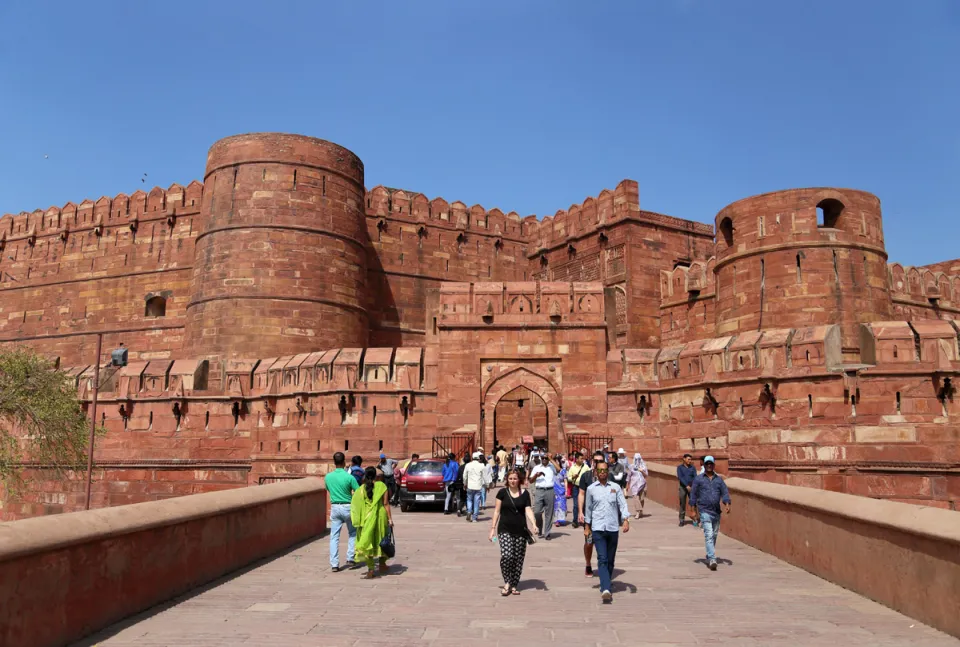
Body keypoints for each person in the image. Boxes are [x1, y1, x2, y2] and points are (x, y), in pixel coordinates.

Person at [584, 460, 630, 603]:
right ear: (596, 472)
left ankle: (606, 582)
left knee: (610, 560)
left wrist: (626, 519)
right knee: (602, 559)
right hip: (598, 528)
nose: (603, 473)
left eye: (605, 470)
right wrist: (587, 526)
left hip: (612, 528)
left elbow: (622, 504)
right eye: (600, 470)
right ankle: (606, 588)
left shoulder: (615, 487)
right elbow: (588, 509)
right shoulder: (591, 489)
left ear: (607, 471)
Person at [488, 469, 537, 596]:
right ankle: (507, 582)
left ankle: (514, 584)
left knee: (518, 559)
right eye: (510, 479)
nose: (512, 481)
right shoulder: (502, 493)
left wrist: (534, 524)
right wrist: (492, 529)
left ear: (519, 480)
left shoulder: (525, 494)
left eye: (515, 478)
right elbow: (496, 511)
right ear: (507, 479)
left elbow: (528, 510)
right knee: (507, 556)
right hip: (504, 529)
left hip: (521, 530)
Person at [350, 465, 394, 579]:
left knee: (368, 542)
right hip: (380, 517)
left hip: (367, 519)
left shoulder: (361, 489)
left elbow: (355, 504)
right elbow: (385, 504)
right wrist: (390, 519)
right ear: (376, 475)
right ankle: (382, 564)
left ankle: (370, 569)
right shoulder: (381, 486)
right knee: (382, 540)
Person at [690, 455, 732, 571]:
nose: (709, 465)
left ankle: (709, 554)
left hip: (716, 511)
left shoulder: (718, 480)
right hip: (704, 510)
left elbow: (724, 493)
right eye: (707, 463)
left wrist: (727, 504)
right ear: (704, 464)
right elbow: (693, 494)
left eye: (711, 464)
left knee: (714, 535)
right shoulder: (699, 479)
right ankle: (712, 559)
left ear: (713, 465)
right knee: (708, 534)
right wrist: (693, 510)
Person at [326, 452, 358, 572]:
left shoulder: (328, 477)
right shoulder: (349, 477)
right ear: (344, 462)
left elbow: (328, 489)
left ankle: (334, 564)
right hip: (348, 506)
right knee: (353, 533)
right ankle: (350, 558)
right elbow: (359, 491)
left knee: (334, 536)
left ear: (334, 463)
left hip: (335, 507)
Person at [578, 450, 606, 576]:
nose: (598, 463)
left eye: (600, 461)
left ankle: (603, 565)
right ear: (592, 462)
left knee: (604, 542)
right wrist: (580, 511)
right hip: (590, 516)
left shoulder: (607, 476)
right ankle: (588, 563)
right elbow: (581, 494)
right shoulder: (586, 476)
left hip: (604, 516)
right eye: (596, 461)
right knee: (589, 542)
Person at [530, 453, 560, 539]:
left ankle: (547, 533)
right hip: (539, 490)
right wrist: (536, 475)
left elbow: (559, 469)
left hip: (550, 490)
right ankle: (539, 527)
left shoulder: (552, 466)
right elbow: (531, 480)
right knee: (537, 512)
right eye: (542, 458)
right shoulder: (537, 467)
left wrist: (551, 459)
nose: (544, 459)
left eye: (545, 458)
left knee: (549, 513)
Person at [463, 452, 486, 522]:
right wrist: (486, 484)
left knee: (469, 500)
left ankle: (469, 511)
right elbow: (484, 476)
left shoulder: (468, 465)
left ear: (472, 458)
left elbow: (464, 476)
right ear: (478, 458)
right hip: (478, 486)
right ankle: (474, 518)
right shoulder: (482, 465)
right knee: (476, 502)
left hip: (470, 485)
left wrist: (465, 483)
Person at [567, 452, 587, 528]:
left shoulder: (586, 467)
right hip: (576, 487)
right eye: (581, 458)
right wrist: (573, 477)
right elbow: (568, 478)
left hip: (584, 488)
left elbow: (589, 475)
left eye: (583, 458)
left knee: (584, 504)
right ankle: (575, 521)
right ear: (577, 459)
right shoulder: (572, 468)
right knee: (576, 505)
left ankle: (584, 520)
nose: (582, 460)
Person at [677, 453, 697, 527]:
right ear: (684, 459)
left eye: (690, 459)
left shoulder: (693, 468)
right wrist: (686, 485)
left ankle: (695, 518)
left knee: (693, 503)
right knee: (682, 503)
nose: (690, 461)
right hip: (683, 487)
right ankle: (681, 519)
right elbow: (680, 477)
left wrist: (692, 486)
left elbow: (695, 477)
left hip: (692, 487)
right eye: (688, 459)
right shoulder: (680, 468)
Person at [627, 452, 649, 519]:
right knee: (636, 498)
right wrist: (627, 485)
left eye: (638, 459)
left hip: (642, 484)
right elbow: (628, 476)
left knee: (641, 499)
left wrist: (641, 471)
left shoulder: (643, 466)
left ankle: (641, 511)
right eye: (636, 459)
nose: (637, 460)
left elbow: (646, 475)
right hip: (634, 485)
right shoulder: (631, 467)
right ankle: (638, 512)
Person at [553, 456, 568, 527]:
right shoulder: (552, 471)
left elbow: (565, 481)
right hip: (554, 491)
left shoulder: (563, 471)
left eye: (557, 461)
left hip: (561, 491)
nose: (556, 463)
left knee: (561, 505)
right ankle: (556, 520)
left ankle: (561, 519)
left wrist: (566, 490)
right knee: (555, 505)